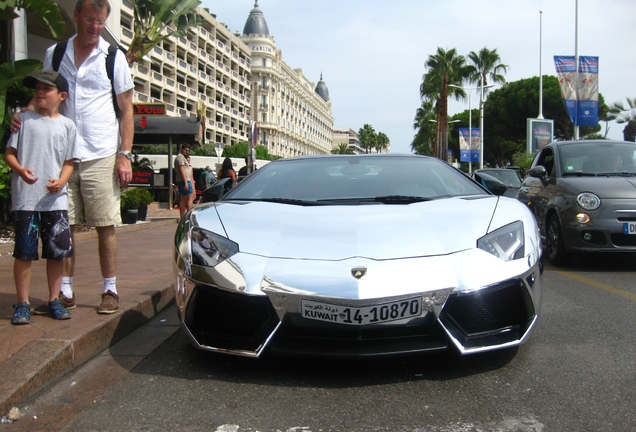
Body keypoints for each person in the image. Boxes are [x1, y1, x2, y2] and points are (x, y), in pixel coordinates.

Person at [12, 0, 134, 315]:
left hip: (101, 152)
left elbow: (126, 111)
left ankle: (110, 289)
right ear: (77, 16)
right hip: (62, 156)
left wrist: (124, 155)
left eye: (100, 23)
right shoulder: (55, 53)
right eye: (90, 20)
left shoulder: (113, 57)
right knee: (62, 226)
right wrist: (23, 114)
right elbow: (46, 92)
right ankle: (64, 292)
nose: (95, 28)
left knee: (105, 224)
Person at [5, 71, 79, 324]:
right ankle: (23, 302)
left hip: (55, 201)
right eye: (37, 88)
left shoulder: (67, 126)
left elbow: (70, 161)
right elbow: (9, 154)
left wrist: (61, 180)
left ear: (61, 96)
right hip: (27, 199)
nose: (39, 92)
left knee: (57, 253)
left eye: (46, 89)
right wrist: (20, 170)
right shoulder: (23, 120)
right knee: (24, 253)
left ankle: (54, 299)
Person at [174, 144, 193, 218]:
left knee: (183, 198)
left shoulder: (181, 157)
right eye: (186, 150)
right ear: (182, 149)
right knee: (189, 198)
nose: (187, 152)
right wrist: (185, 183)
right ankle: (188, 216)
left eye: (188, 151)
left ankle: (183, 216)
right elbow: (182, 170)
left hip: (183, 180)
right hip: (184, 180)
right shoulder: (180, 157)